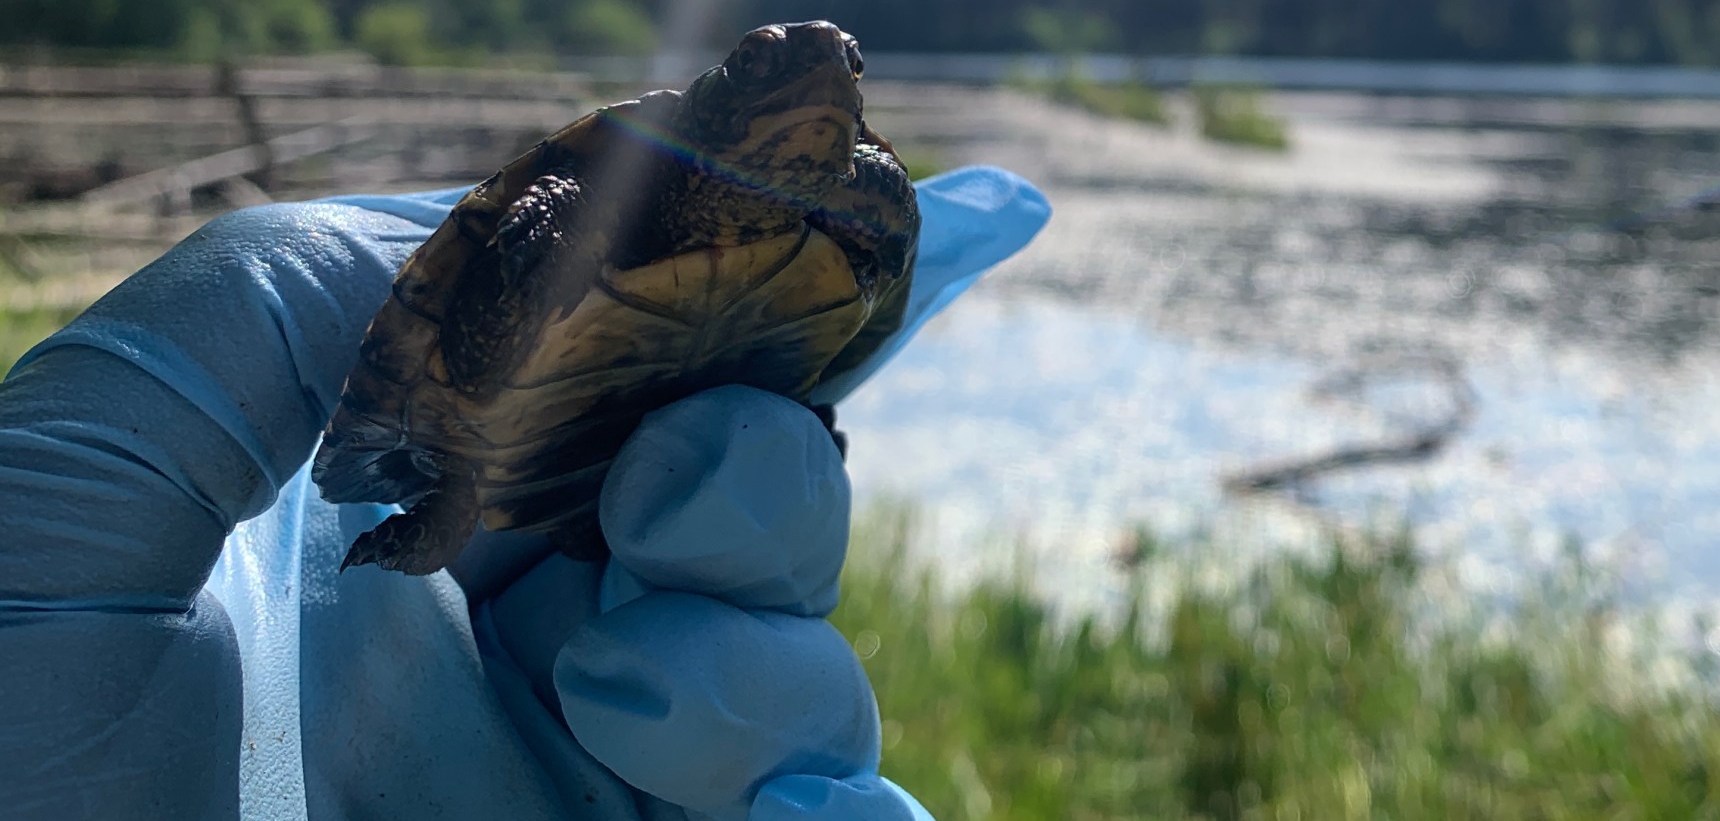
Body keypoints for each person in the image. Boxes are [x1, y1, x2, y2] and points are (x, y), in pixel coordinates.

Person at [0, 166, 1051, 821]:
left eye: (840, 73)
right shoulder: (645, 179)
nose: (815, 82)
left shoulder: (838, 188)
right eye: (775, 68)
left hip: (669, 447)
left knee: (735, 487)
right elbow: (552, 197)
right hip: (487, 435)